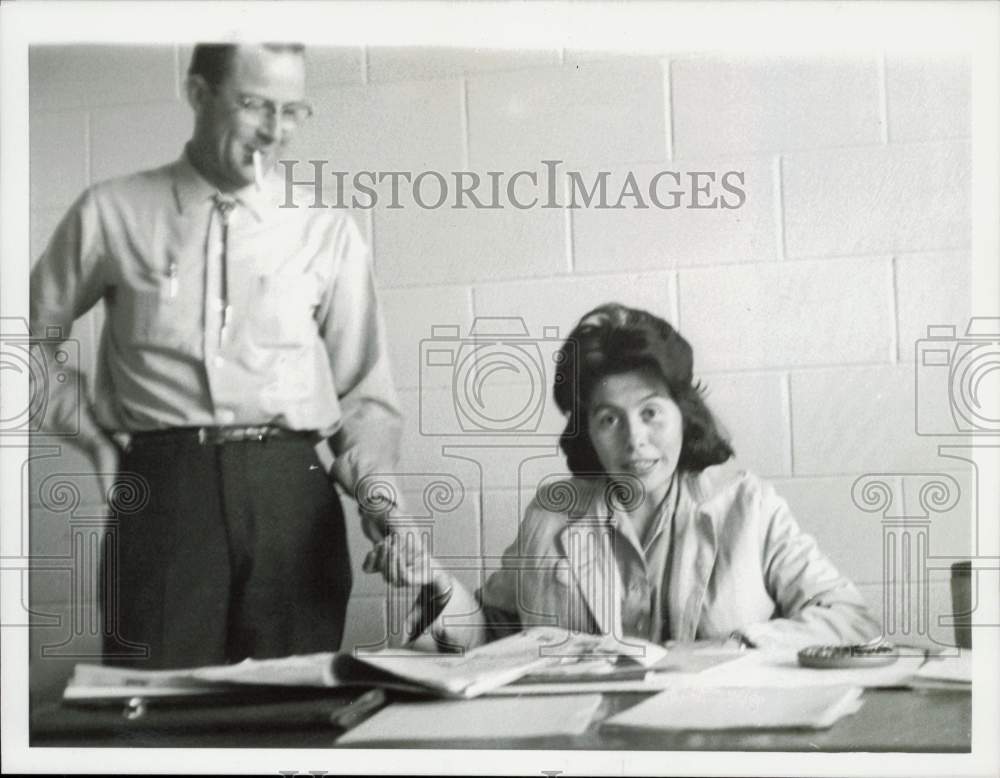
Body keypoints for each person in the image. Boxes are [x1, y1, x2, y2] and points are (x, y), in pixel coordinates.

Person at [30, 43, 403, 667]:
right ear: (199, 94)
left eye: (293, 111)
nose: (275, 132)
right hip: (164, 490)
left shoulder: (325, 230)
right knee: (156, 717)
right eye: (255, 105)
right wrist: (89, 435)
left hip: (294, 494)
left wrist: (379, 495)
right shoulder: (112, 212)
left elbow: (363, 394)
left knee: (292, 716)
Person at [380, 303, 881, 651]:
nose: (634, 440)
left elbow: (851, 619)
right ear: (589, 434)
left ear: (685, 413)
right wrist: (437, 583)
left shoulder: (750, 508)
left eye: (650, 413)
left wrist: (736, 648)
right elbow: (492, 631)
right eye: (608, 419)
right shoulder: (551, 514)